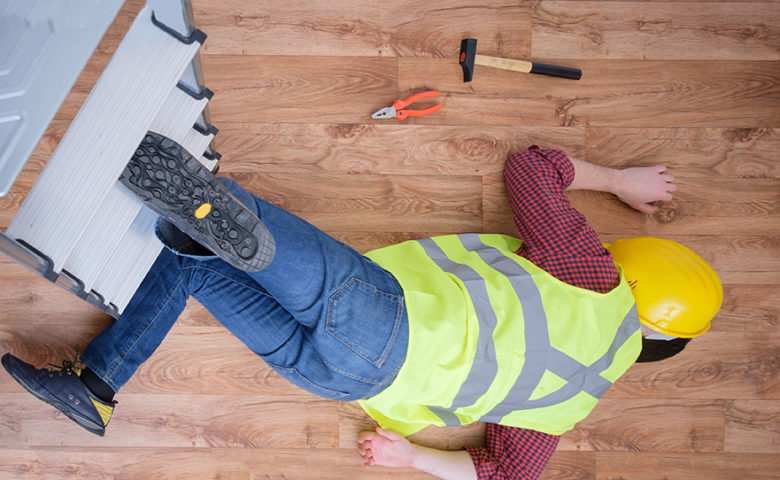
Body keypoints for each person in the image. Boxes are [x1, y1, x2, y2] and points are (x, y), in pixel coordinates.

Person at [2, 133, 722, 480]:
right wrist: (410, 457)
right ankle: (96, 387)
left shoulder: (593, 276)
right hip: (351, 384)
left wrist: (617, 178)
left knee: (259, 244)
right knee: (190, 267)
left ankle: (232, 221)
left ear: (639, 278)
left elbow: (534, 169)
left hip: (389, 321)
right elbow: (504, 477)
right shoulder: (570, 409)